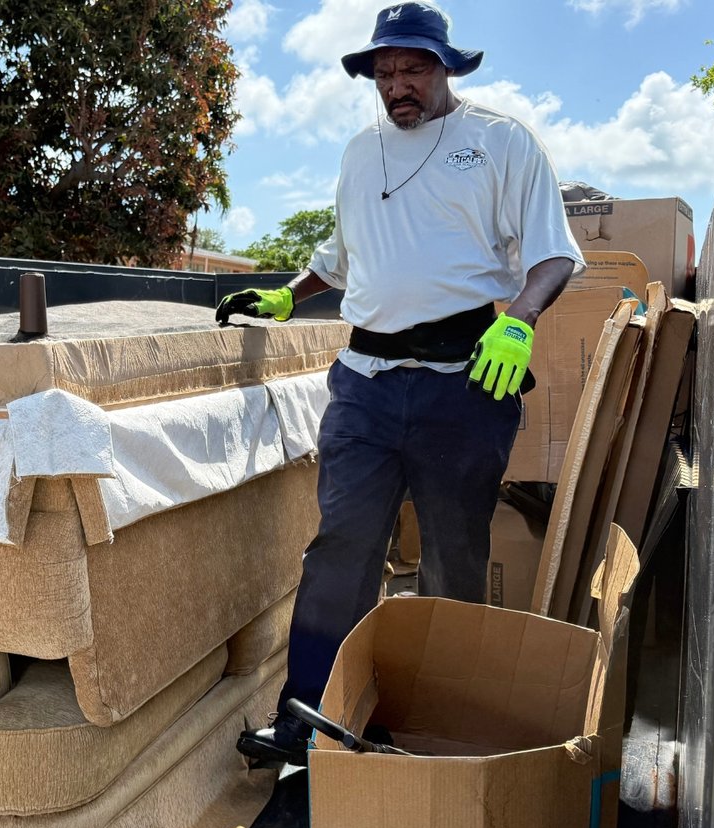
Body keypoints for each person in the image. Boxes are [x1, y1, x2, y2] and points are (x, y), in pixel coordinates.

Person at [215, 1, 584, 766]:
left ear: (445, 67)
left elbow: (554, 254)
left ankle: (440, 731)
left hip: (464, 384)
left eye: (413, 69)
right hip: (365, 386)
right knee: (340, 552)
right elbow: (342, 256)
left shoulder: (501, 142)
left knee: (452, 562)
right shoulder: (361, 152)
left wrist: (519, 321)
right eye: (384, 72)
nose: (397, 85)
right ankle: (307, 723)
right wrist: (287, 296)